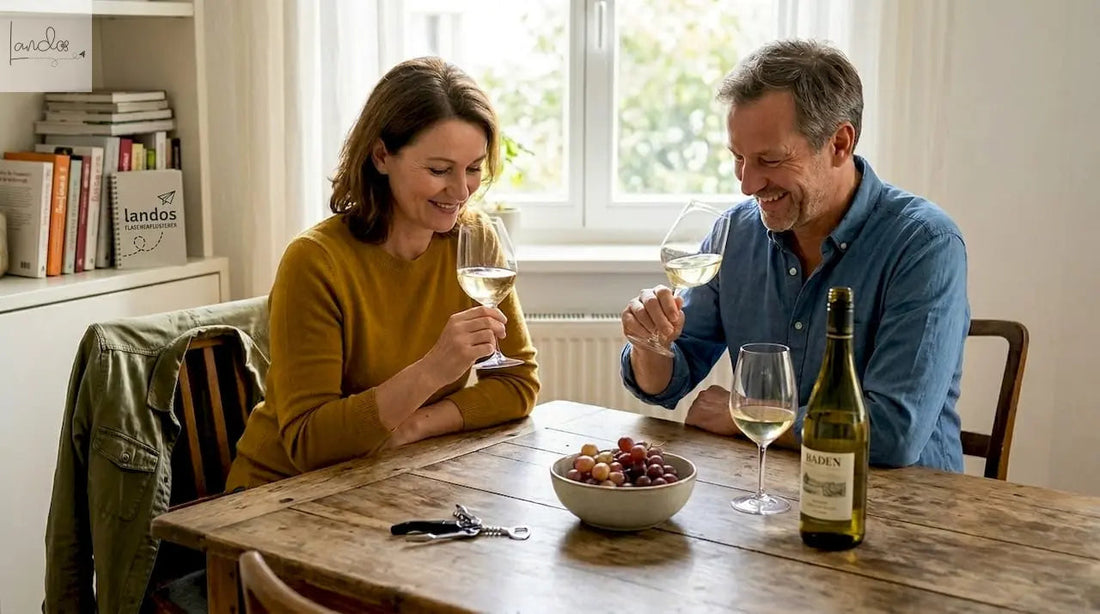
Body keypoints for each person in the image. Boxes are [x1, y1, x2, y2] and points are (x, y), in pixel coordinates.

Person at [619, 39, 969, 471]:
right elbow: (668, 381)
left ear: (840, 143)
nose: (747, 185)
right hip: (764, 493)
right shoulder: (734, 233)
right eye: (738, 158)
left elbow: (893, 433)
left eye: (769, 159)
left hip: (903, 509)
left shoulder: (924, 244)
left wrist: (748, 415)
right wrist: (651, 342)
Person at [226, 57, 540, 490]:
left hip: (393, 476)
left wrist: (414, 426)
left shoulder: (475, 242)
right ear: (381, 156)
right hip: (281, 496)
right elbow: (308, 442)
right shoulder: (316, 262)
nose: (461, 191)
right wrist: (432, 370)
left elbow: (517, 384)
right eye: (438, 170)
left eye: (472, 169)